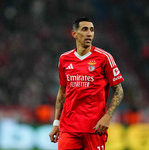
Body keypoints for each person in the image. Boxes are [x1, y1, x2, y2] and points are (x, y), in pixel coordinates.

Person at [49, 17, 124, 150]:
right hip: (69, 129)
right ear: (74, 34)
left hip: (94, 128)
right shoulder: (64, 59)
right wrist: (56, 123)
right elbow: (62, 92)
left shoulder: (104, 58)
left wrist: (107, 117)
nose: (89, 33)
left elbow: (119, 91)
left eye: (92, 30)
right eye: (85, 29)